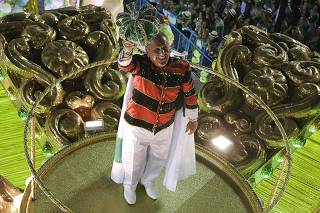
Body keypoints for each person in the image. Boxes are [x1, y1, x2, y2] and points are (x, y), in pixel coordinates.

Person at [111, 33, 198, 205]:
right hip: (136, 126)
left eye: (164, 49)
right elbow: (124, 64)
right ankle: (130, 185)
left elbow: (190, 93)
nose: (161, 54)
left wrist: (193, 118)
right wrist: (127, 50)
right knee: (133, 159)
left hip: (165, 127)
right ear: (147, 52)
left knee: (159, 158)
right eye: (156, 50)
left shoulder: (182, 67)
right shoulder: (140, 64)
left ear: (170, 49)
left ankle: (148, 180)